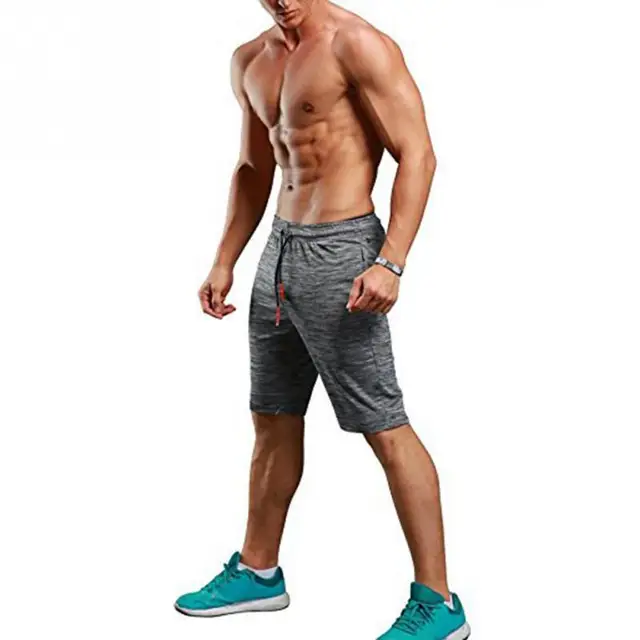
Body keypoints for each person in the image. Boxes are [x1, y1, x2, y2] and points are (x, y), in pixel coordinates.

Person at [175, 2, 470, 638]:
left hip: (343, 251)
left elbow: (417, 153)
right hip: (278, 251)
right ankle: (259, 571)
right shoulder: (250, 59)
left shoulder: (357, 44)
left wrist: (390, 261)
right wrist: (225, 259)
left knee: (383, 423)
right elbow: (254, 167)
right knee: (272, 416)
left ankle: (439, 602)